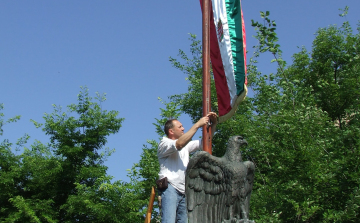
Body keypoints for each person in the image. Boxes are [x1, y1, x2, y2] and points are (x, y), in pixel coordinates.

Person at [157, 112, 218, 223]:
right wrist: (197, 125)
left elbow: (205, 142)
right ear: (171, 131)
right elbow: (179, 144)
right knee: (168, 221)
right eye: (180, 127)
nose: (183, 128)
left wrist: (213, 125)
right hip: (170, 188)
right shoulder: (164, 143)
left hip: (184, 191)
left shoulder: (185, 146)